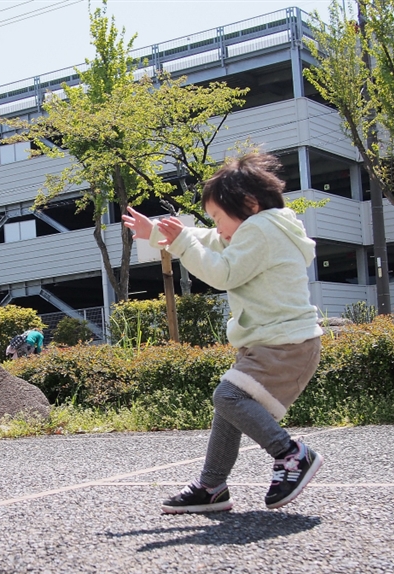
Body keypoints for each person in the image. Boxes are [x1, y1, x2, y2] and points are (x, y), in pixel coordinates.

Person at [122, 152, 324, 514]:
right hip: (279, 343)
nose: (216, 227)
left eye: (218, 217)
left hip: (284, 345)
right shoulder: (264, 227)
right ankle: (212, 486)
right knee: (229, 408)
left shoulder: (260, 230)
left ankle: (291, 454)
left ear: (249, 204)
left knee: (228, 396)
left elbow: (222, 274)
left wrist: (181, 243)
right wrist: (157, 233)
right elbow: (211, 240)